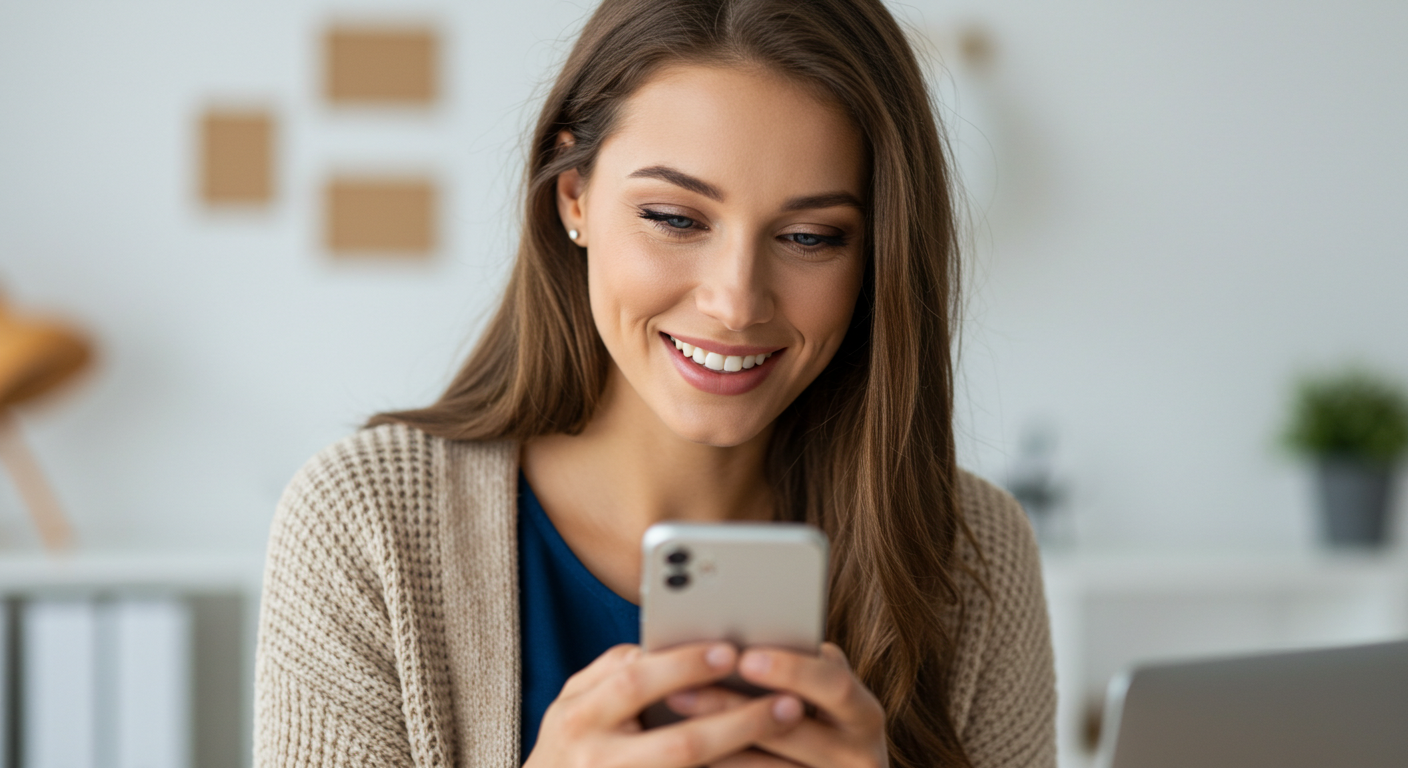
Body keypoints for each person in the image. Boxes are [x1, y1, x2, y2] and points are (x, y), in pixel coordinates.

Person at [254, 0, 1055, 766]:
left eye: (811, 236)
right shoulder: (369, 525)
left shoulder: (969, 557)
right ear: (574, 196)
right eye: (675, 219)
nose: (736, 302)